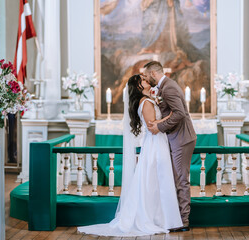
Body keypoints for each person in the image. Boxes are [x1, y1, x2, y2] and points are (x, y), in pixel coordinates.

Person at [77, 74, 182, 237]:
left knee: (156, 180)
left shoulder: (148, 100)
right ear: (139, 86)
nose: (148, 81)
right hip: (155, 144)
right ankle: (156, 218)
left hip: (157, 143)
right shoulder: (146, 103)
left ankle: (163, 217)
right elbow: (153, 126)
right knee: (156, 179)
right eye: (144, 80)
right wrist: (173, 114)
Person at [144, 61, 197, 232]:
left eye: (146, 75)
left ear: (153, 73)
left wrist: (159, 127)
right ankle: (174, 216)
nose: (145, 78)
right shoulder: (163, 87)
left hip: (181, 138)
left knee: (181, 179)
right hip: (174, 138)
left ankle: (184, 220)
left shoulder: (169, 87)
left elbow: (180, 113)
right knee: (174, 177)